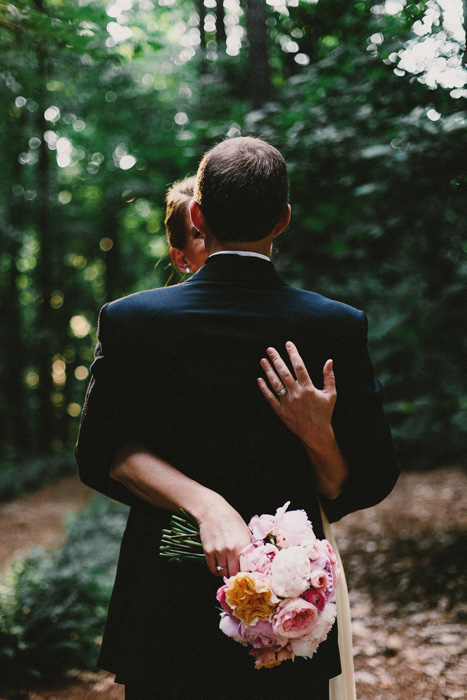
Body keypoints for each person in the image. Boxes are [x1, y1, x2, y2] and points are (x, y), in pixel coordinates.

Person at [76, 137, 400, 699]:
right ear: (283, 220)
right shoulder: (335, 327)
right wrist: (215, 501)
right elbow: (364, 482)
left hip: (166, 607)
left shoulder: (132, 322)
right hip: (292, 609)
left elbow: (100, 455)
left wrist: (317, 432)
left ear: (197, 215)